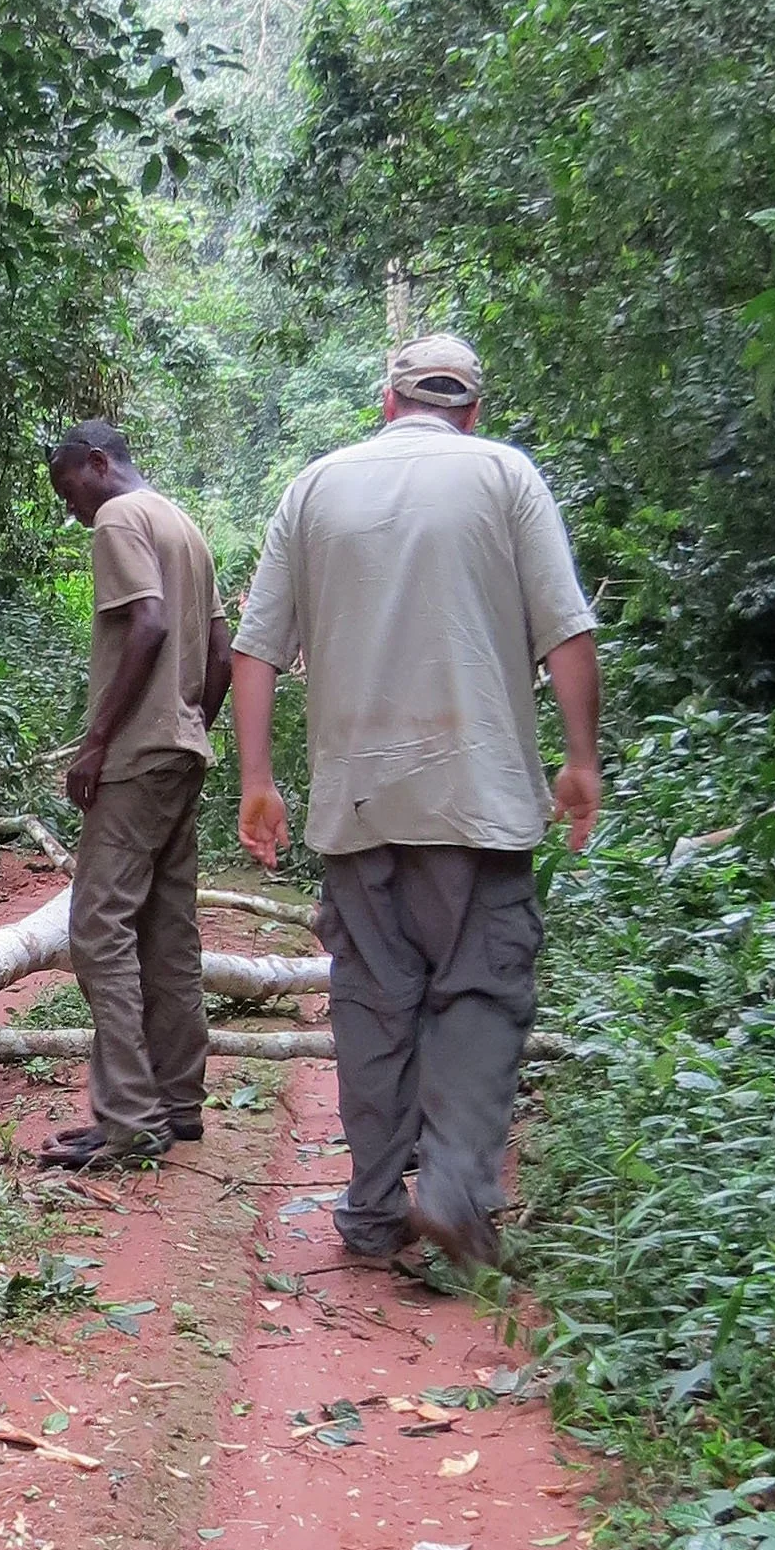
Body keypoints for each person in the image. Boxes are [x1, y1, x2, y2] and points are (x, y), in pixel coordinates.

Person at [230, 334, 601, 1273]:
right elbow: (567, 634)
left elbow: (255, 649)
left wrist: (259, 781)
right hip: (478, 795)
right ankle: (455, 1188)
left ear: (387, 403)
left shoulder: (314, 487)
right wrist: (581, 762)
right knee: (480, 988)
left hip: (357, 801)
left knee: (371, 999)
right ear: (471, 410)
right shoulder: (506, 477)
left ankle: (370, 1208)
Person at [38, 420, 233, 1167]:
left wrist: (99, 741)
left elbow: (147, 624)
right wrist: (191, 726)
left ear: (97, 464)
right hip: (180, 754)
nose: (74, 509)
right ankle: (178, 1103)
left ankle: (129, 1119)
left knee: (97, 929)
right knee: (166, 930)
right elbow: (218, 650)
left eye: (70, 490)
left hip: (137, 760)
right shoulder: (183, 524)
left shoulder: (121, 517)